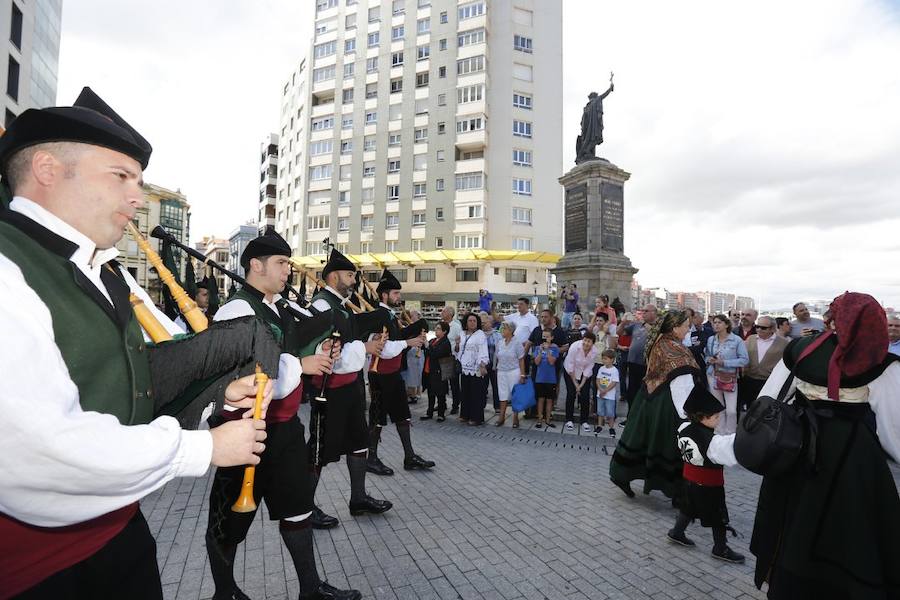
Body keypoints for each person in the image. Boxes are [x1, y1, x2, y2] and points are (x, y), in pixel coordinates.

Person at [0, 88, 273, 598]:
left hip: (117, 531)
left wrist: (216, 395)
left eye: (140, 182)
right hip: (36, 571)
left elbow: (121, 378)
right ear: (47, 169)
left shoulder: (98, 269)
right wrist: (202, 448)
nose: (136, 198)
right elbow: (35, 451)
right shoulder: (7, 269)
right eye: (121, 177)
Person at [207, 230, 361, 600]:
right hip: (246, 436)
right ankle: (224, 592)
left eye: (288, 264)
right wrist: (302, 364)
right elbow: (247, 377)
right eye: (281, 263)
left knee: (298, 508)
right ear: (255, 265)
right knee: (228, 521)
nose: (287, 271)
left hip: (286, 429)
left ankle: (310, 588)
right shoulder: (236, 310)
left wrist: (320, 348)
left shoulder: (276, 307)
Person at [750, 292, 900, 599]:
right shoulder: (882, 363)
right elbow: (893, 431)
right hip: (852, 461)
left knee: (793, 522)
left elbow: (767, 401)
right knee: (851, 532)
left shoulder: (801, 348)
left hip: (798, 451)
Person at [306, 249, 392, 521]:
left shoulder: (339, 305)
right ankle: (304, 509)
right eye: (349, 275)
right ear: (333, 277)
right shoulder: (321, 305)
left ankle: (358, 499)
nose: (354, 280)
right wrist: (366, 347)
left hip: (350, 386)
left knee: (358, 441)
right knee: (319, 450)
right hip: (328, 390)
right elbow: (329, 350)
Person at [610, 310, 702, 500]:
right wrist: (688, 417)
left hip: (646, 400)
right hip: (665, 405)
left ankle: (621, 475)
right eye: (686, 326)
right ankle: (675, 492)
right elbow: (682, 387)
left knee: (638, 439)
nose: (688, 329)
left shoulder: (659, 341)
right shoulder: (676, 350)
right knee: (667, 445)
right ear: (675, 327)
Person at [365, 269, 433, 476]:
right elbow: (383, 349)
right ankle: (371, 458)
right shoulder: (377, 315)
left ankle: (409, 456)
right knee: (377, 418)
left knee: (403, 415)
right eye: (395, 293)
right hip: (380, 374)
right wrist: (408, 341)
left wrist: (415, 330)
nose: (399, 297)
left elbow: (396, 337)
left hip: (392, 374)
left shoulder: (388, 315)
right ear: (384, 295)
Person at [667, 386, 744, 564]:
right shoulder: (712, 440)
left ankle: (677, 532)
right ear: (702, 417)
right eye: (715, 417)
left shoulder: (684, 427)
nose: (718, 420)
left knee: (688, 507)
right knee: (718, 516)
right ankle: (720, 548)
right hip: (709, 485)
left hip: (688, 480)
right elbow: (730, 454)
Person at [704, 314, 748, 434]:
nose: (716, 325)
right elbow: (706, 355)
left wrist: (724, 362)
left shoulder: (737, 340)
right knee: (718, 407)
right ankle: (719, 432)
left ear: (726, 324)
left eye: (719, 322)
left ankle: (730, 434)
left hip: (729, 377)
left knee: (731, 410)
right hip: (713, 375)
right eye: (714, 322)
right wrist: (709, 359)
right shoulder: (711, 339)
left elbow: (744, 360)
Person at [738, 316, 788, 414]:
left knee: (765, 409)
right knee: (750, 407)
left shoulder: (783, 343)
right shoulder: (751, 339)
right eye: (757, 326)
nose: (759, 329)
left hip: (769, 381)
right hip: (750, 379)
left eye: (763, 328)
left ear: (772, 328)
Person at [456, 312, 490, 425]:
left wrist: (482, 364)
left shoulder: (480, 334)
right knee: (465, 392)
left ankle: (476, 418)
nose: (472, 323)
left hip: (476, 368)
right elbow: (458, 350)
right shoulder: (461, 333)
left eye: (474, 321)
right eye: (470, 320)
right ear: (466, 322)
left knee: (476, 394)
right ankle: (465, 415)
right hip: (464, 367)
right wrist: (456, 344)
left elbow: (483, 350)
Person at [493, 321, 527, 427]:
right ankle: (501, 417)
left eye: (505, 328)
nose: (502, 330)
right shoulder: (500, 342)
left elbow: (521, 360)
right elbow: (497, 356)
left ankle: (515, 418)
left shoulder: (517, 343)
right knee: (502, 394)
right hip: (501, 371)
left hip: (514, 371)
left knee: (514, 395)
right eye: (502, 328)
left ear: (511, 330)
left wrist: (522, 375)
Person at [563, 331, 598, 432]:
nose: (586, 343)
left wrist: (581, 385)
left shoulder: (594, 351)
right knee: (571, 394)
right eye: (585, 340)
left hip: (584, 373)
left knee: (585, 396)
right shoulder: (574, 347)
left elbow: (589, 368)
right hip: (571, 371)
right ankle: (569, 419)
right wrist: (575, 384)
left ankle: (584, 421)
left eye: (589, 341)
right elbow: (570, 365)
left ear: (592, 343)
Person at [624, 305, 657, 407]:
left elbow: (654, 333)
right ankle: (630, 416)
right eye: (642, 311)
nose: (643, 313)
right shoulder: (636, 325)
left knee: (642, 392)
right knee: (631, 392)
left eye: (646, 311)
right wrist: (623, 322)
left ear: (654, 313)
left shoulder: (657, 326)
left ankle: (641, 417)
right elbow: (620, 332)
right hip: (633, 362)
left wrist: (643, 322)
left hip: (646, 365)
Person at [422, 322, 452, 421]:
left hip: (439, 371)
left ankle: (441, 414)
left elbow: (436, 353)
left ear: (444, 331)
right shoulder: (433, 340)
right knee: (430, 393)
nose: (436, 330)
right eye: (436, 328)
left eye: (438, 328)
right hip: (429, 370)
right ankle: (429, 412)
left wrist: (428, 346)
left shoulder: (445, 342)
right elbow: (427, 350)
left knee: (440, 393)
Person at [532, 329, 560, 429]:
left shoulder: (555, 348)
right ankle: (539, 419)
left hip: (551, 378)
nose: (545, 338)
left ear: (552, 338)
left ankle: (548, 419)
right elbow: (536, 362)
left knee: (549, 400)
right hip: (540, 378)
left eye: (547, 336)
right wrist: (540, 351)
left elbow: (552, 362)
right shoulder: (537, 348)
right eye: (544, 336)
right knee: (540, 399)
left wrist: (547, 350)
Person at [440, 305, 463, 415]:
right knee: (442, 383)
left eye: (443, 311)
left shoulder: (456, 326)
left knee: (453, 384)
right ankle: (442, 404)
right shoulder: (440, 325)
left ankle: (455, 405)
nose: (441, 312)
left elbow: (460, 341)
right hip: (441, 357)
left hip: (451, 357)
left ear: (450, 314)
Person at [595, 349, 620, 438]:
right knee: (600, 411)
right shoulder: (601, 368)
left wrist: (605, 390)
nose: (604, 360)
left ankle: (611, 427)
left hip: (609, 395)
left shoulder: (614, 370)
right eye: (603, 358)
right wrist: (600, 389)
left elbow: (614, 382)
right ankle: (599, 425)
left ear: (612, 359)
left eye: (606, 359)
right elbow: (597, 379)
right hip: (600, 393)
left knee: (610, 412)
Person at [402, 310, 425, 404]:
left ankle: (414, 395)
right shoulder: (410, 326)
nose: (410, 317)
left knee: (414, 374)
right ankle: (414, 393)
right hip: (410, 352)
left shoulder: (420, 326)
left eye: (412, 316)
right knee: (411, 374)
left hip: (415, 352)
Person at [481, 312, 501, 410]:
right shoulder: (479, 334)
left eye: (485, 322)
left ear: (491, 323)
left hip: (494, 365)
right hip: (483, 365)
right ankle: (482, 405)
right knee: (482, 387)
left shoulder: (497, 334)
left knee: (496, 387)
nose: (483, 324)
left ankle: (497, 407)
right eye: (481, 322)